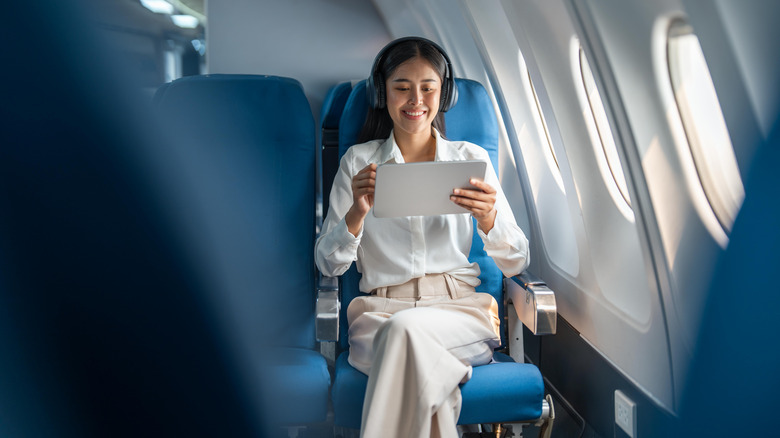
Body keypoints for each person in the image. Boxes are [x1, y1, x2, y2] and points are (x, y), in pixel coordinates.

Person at [315, 37, 529, 438]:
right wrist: (356, 213)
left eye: (428, 87)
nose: (416, 100)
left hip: (460, 312)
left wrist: (490, 219)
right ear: (383, 93)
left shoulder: (469, 161)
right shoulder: (359, 163)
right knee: (410, 344)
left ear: (443, 93)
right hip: (380, 315)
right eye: (402, 87)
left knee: (406, 337)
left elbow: (517, 261)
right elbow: (328, 264)